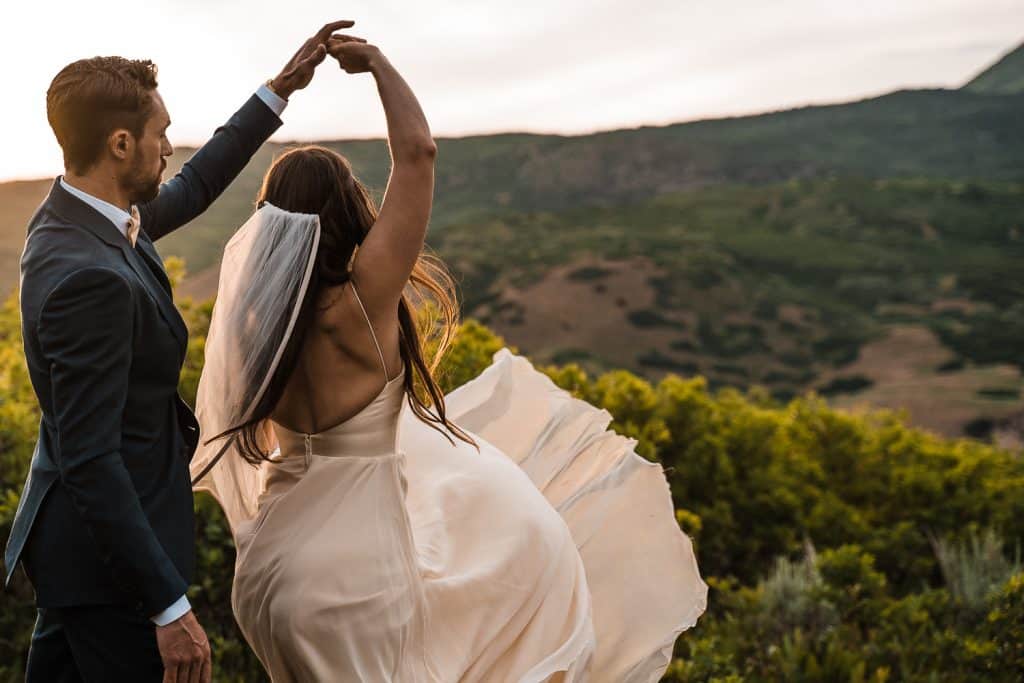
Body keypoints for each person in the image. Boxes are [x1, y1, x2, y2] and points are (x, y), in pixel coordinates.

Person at [191, 33, 708, 682]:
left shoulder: (251, 326)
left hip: (273, 570)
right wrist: (378, 65)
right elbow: (417, 154)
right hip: (356, 574)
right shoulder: (360, 306)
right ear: (349, 213)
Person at [4, 20, 362, 683]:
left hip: (75, 556)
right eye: (158, 134)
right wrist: (167, 607)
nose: (169, 146)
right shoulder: (92, 277)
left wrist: (278, 91)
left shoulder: (80, 219)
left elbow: (193, 185)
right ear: (119, 144)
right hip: (113, 573)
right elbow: (90, 458)